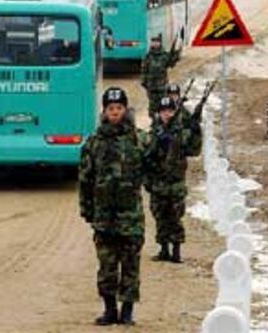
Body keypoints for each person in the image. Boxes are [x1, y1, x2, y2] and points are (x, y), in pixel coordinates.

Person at [79, 87, 145, 326]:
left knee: (130, 266)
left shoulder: (138, 139)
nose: (115, 112)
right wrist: (87, 210)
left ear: (125, 110)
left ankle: (127, 312)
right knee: (107, 267)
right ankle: (109, 309)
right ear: (104, 111)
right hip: (104, 218)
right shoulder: (94, 143)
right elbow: (85, 179)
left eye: (119, 108)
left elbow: (153, 167)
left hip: (131, 217)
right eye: (111, 109)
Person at [144, 96, 202, 264]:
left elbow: (194, 150)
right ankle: (163, 249)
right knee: (160, 216)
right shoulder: (154, 132)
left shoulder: (181, 133)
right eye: (164, 112)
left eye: (170, 111)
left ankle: (176, 250)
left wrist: (196, 130)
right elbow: (147, 155)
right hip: (158, 183)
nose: (167, 114)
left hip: (175, 184)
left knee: (175, 217)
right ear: (159, 114)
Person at [141, 34, 181, 119]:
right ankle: (154, 123)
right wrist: (144, 82)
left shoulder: (164, 55)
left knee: (163, 105)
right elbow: (144, 70)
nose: (155, 44)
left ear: (160, 43)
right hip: (151, 87)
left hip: (162, 86)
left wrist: (176, 56)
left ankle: (163, 122)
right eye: (153, 42)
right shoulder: (148, 56)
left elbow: (171, 64)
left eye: (157, 42)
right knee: (152, 107)